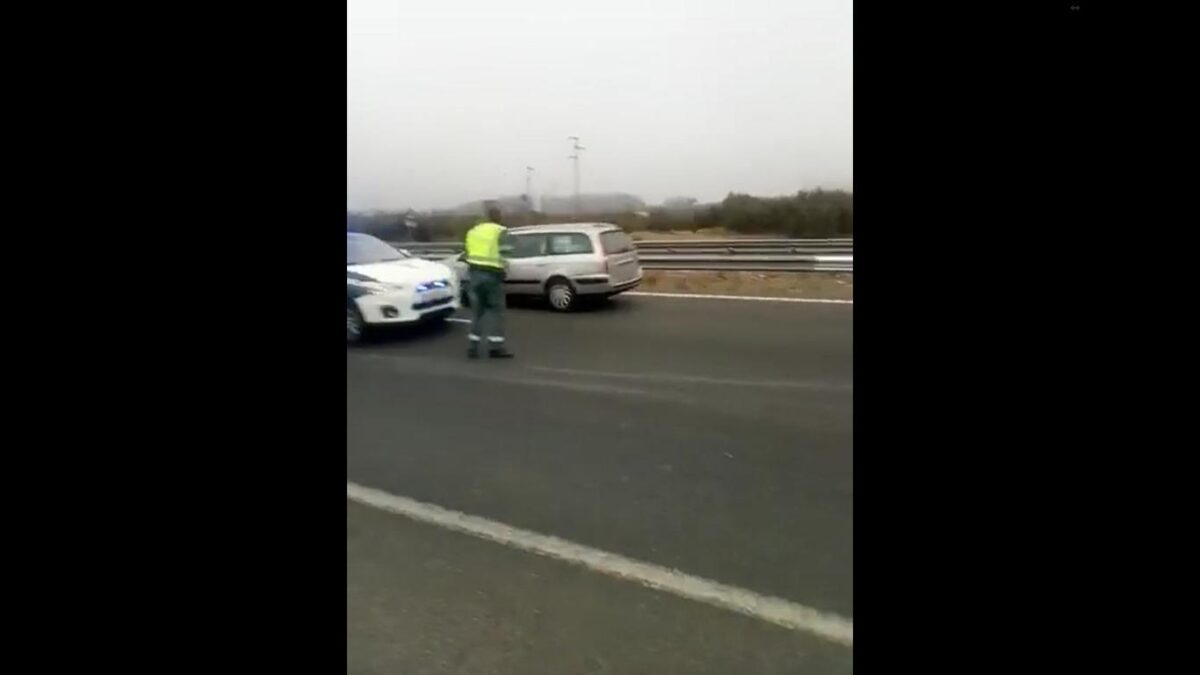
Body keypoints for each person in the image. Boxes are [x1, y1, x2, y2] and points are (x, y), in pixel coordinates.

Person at [463, 205, 514, 359]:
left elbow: (468, 253)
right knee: (496, 312)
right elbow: (506, 253)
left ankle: (472, 348)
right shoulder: (500, 231)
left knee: (477, 313)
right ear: (498, 216)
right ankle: (495, 348)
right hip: (492, 276)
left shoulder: (473, 231)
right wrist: (505, 270)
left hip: (474, 274)